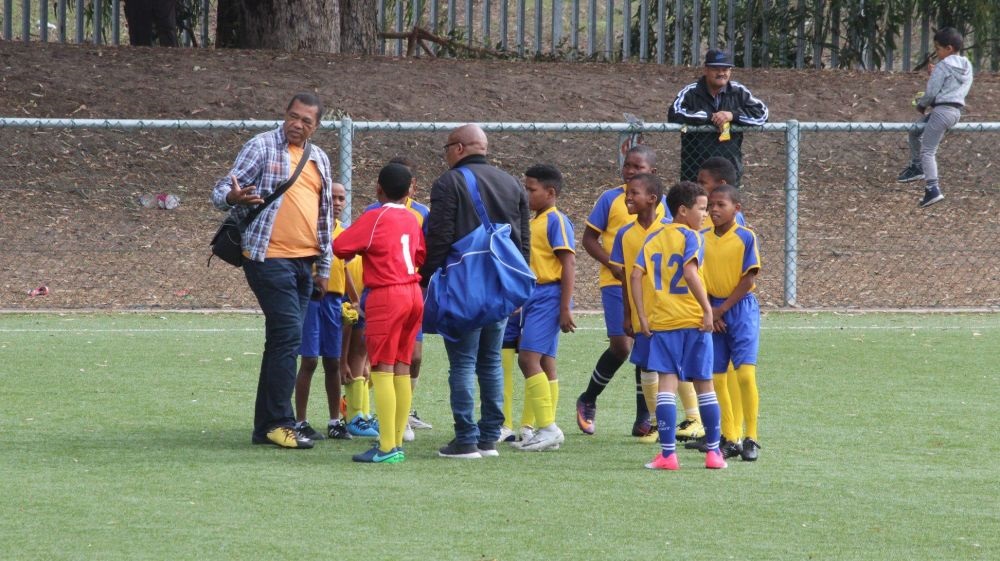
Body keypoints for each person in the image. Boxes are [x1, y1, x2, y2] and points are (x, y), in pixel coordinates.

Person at [211, 92, 334, 449]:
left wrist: (323, 266)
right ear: (285, 114)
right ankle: (281, 422)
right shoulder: (261, 146)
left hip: (305, 263)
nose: (297, 124)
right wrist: (233, 197)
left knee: (281, 340)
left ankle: (265, 427)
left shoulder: (319, 158)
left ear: (316, 127)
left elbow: (325, 216)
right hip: (267, 258)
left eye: (306, 121)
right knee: (288, 337)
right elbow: (221, 190)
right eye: (293, 116)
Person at [420, 124, 531, 460]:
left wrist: (427, 279)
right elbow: (522, 240)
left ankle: (465, 439)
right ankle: (488, 438)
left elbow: (440, 236)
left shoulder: (449, 182)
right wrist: (517, 289)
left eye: (446, 148)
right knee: (491, 362)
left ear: (458, 148)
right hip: (500, 285)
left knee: (463, 363)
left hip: (463, 286)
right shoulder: (511, 182)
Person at [334, 163, 426, 464]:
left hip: (387, 294)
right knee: (402, 367)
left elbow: (341, 246)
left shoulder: (375, 216)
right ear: (410, 190)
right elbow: (420, 254)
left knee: (382, 368)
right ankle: (396, 441)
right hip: (414, 292)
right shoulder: (412, 217)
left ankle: (386, 447)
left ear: (378, 188)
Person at [631, 181, 727, 471]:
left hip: (664, 322)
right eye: (701, 208)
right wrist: (707, 309)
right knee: (704, 385)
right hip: (694, 321)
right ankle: (714, 454)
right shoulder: (693, 237)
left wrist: (642, 316)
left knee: (667, 386)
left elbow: (635, 276)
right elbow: (689, 271)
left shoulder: (653, 238)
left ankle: (668, 455)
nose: (706, 214)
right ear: (683, 211)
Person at [575, 145, 669, 438]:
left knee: (645, 344)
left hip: (650, 287)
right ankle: (588, 398)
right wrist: (612, 264)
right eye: (627, 165)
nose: (629, 171)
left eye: (637, 167)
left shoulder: (664, 205)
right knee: (621, 345)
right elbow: (589, 239)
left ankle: (644, 417)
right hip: (616, 282)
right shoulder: (610, 199)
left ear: (652, 173)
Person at [365, 156, 434, 439]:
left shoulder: (421, 213)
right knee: (385, 361)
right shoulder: (375, 212)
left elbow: (425, 253)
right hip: (389, 292)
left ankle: (397, 428)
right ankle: (367, 411)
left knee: (407, 359)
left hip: (405, 292)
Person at [511, 164, 575, 452]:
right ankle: (545, 428)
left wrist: (565, 307)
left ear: (550, 192)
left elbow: (568, 263)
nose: (527, 194)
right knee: (546, 361)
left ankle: (549, 427)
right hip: (535, 296)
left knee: (527, 359)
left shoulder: (556, 221)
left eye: (531, 189)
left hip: (549, 295)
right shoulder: (535, 220)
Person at [607, 173, 671, 446]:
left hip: (668, 311)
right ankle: (655, 423)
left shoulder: (669, 229)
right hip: (640, 312)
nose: (628, 198)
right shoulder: (625, 233)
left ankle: (693, 420)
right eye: (627, 193)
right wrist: (627, 314)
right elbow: (624, 277)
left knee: (672, 367)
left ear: (652, 199)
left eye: (634, 193)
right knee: (645, 364)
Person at [702, 184, 762, 462]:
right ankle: (731, 437)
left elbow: (748, 279)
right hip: (713, 310)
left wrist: (721, 310)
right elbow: (697, 276)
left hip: (740, 309)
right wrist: (709, 311)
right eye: (710, 205)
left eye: (720, 205)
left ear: (736, 209)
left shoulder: (746, 237)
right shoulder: (701, 238)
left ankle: (751, 437)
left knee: (745, 375)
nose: (713, 210)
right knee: (716, 378)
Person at [293, 182, 356, 441]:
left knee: (333, 361)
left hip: (334, 302)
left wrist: (355, 299)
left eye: (342, 198)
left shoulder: (345, 233)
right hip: (313, 298)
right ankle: (300, 422)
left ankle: (334, 421)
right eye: (333, 197)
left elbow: (345, 269)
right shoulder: (309, 228)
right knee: (309, 360)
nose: (338, 203)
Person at [896, 27, 973, 208]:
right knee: (914, 131)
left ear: (949, 48)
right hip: (954, 112)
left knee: (928, 151)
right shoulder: (967, 66)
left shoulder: (944, 65)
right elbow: (951, 86)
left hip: (941, 111)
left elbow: (931, 91)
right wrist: (936, 72)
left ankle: (933, 189)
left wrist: (921, 105)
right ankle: (916, 166)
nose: (936, 53)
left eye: (938, 49)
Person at [668, 49, 769, 185]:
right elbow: (674, 113)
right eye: (716, 69)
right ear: (706, 70)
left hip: (729, 172)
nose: (721, 73)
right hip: (695, 172)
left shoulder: (738, 91)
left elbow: (762, 114)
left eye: (725, 69)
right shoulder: (691, 92)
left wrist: (732, 115)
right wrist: (710, 117)